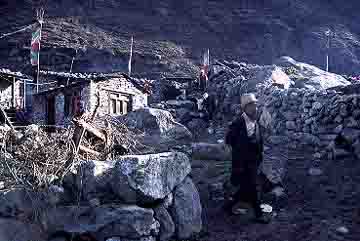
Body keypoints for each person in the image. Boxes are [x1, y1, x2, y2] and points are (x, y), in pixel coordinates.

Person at [224, 93, 271, 224]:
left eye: (255, 105)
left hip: (253, 162)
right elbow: (229, 140)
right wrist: (241, 150)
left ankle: (227, 206)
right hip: (242, 163)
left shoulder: (255, 121)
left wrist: (259, 155)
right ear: (245, 108)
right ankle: (259, 214)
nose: (255, 108)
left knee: (245, 189)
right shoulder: (238, 123)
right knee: (254, 187)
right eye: (251, 106)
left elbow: (258, 140)